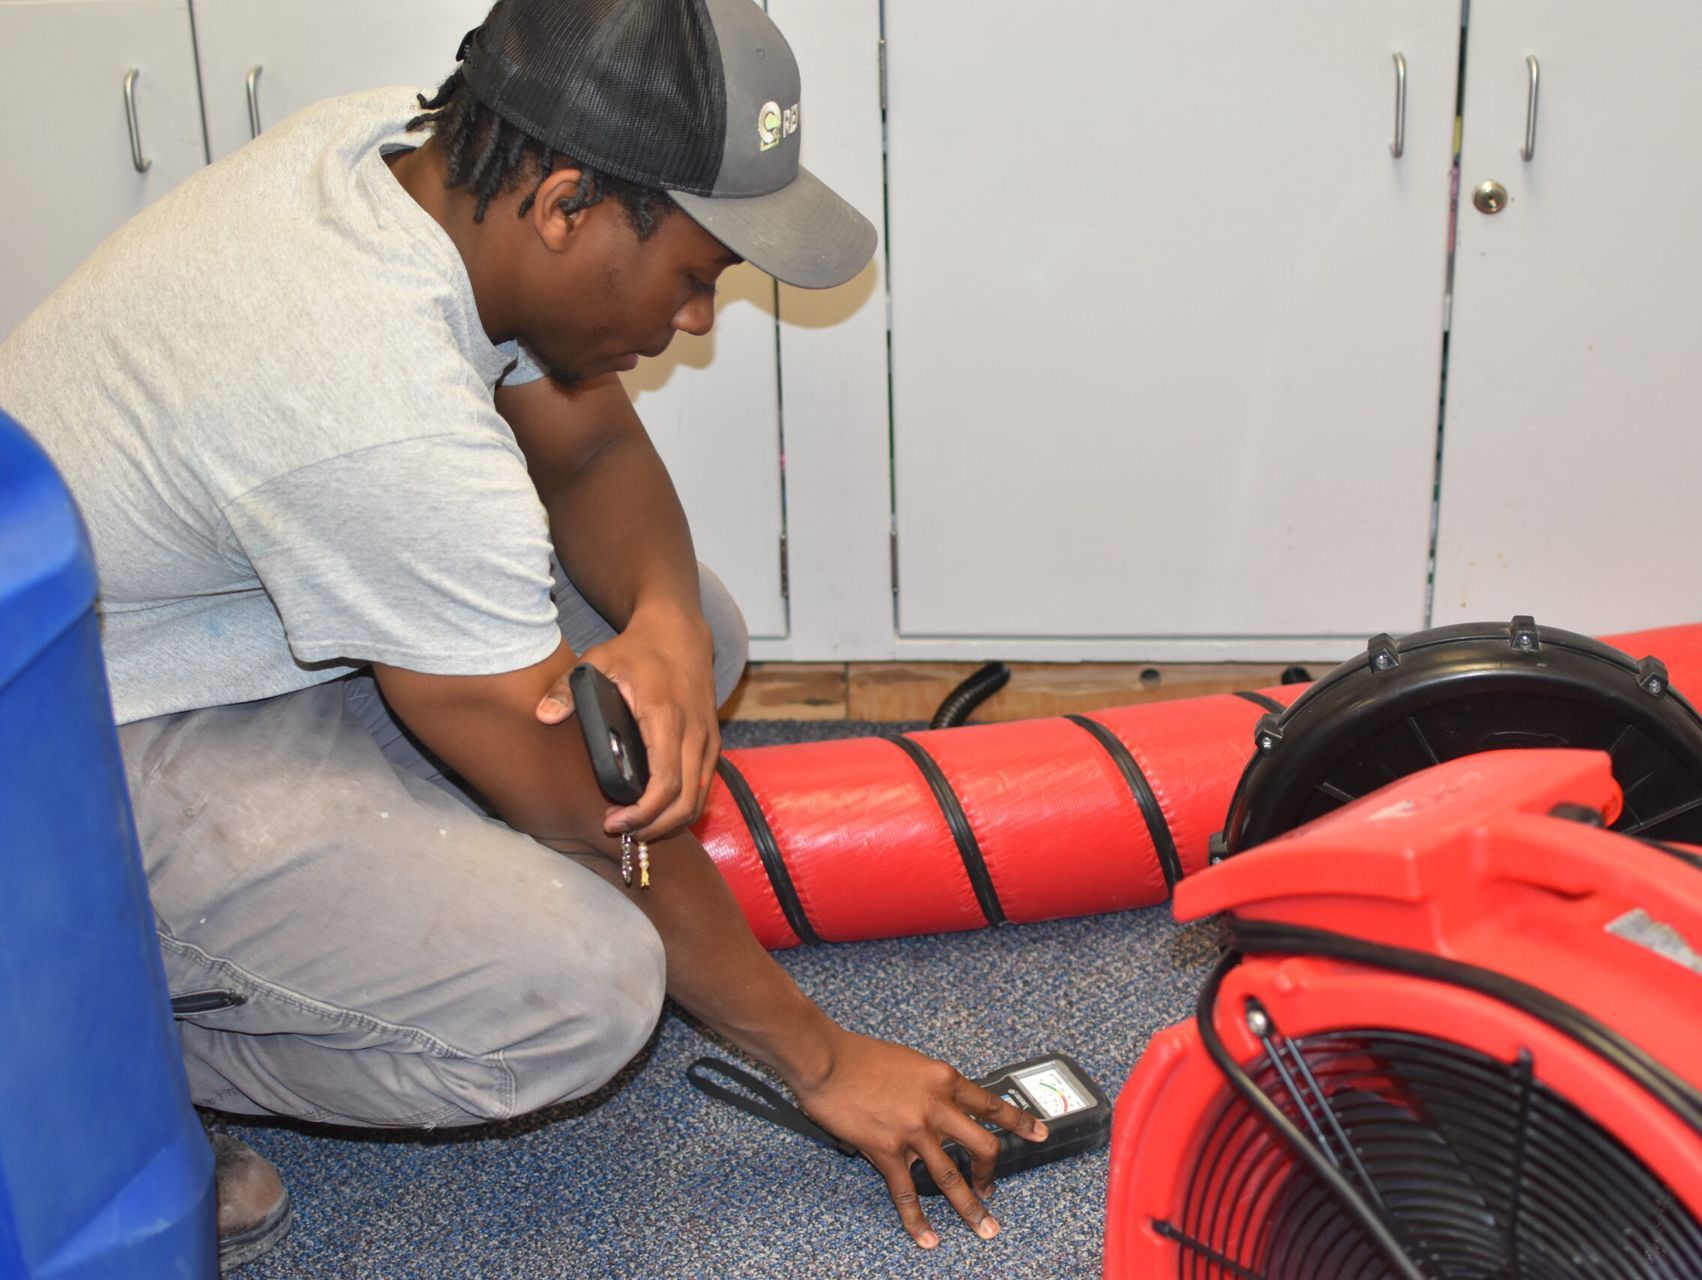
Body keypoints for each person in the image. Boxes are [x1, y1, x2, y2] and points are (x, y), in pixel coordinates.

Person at [0, 0, 1045, 1268]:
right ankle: (88, 1053)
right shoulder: (368, 400)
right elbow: (593, 823)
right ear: (564, 209)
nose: (702, 317)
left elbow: (594, 442)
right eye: (699, 272)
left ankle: (402, 855)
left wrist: (657, 625)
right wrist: (822, 1057)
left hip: (225, 635)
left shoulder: (413, 166)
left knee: (693, 634)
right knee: (581, 988)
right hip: (64, 764)